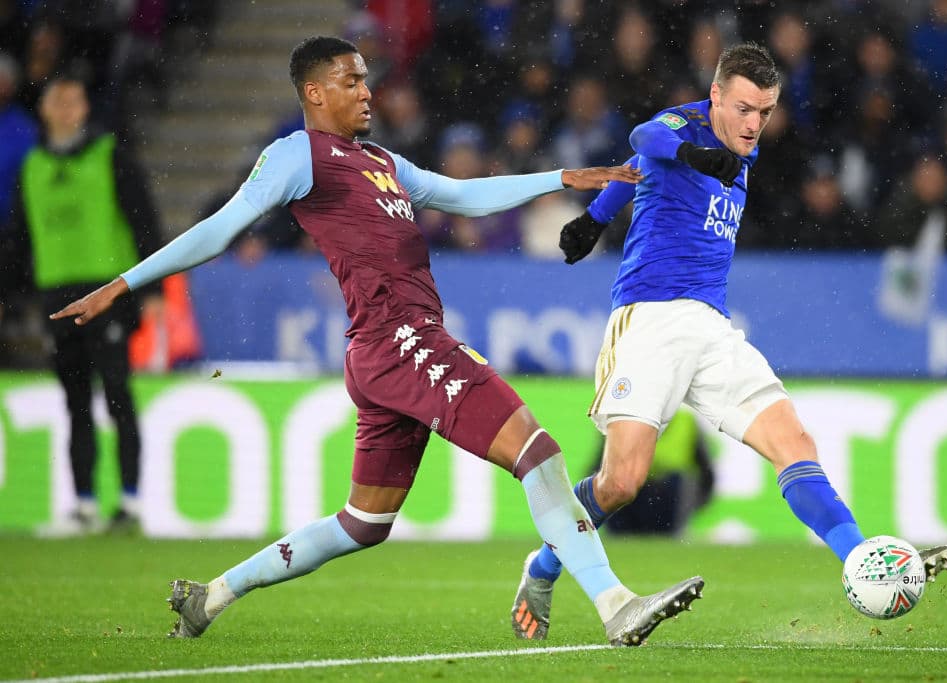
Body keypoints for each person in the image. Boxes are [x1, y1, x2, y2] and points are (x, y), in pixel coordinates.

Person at [50, 36, 704, 646]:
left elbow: (460, 195)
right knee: (537, 453)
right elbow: (221, 228)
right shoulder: (298, 155)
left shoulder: (383, 163)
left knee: (363, 523)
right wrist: (125, 283)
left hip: (384, 354)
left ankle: (213, 595)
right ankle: (614, 603)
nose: (367, 92)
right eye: (351, 81)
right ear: (315, 93)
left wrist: (560, 179)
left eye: (366, 80)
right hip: (402, 340)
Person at [510, 42, 947, 641]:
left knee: (794, 441)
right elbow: (646, 138)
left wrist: (597, 216)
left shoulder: (743, 147)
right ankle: (541, 567)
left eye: (764, 112)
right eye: (743, 109)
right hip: (650, 317)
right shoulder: (684, 128)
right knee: (621, 483)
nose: (753, 124)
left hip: (713, 327)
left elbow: (638, 164)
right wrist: (604, 212)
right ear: (715, 95)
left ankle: (860, 560)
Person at [3, 74, 161, 534]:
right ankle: (85, 504)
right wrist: (6, 295)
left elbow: (143, 220)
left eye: (74, 101)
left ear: (86, 108)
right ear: (43, 109)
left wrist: (152, 290)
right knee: (74, 402)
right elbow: (18, 239)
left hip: (108, 292)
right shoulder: (31, 167)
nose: (66, 110)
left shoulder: (110, 155)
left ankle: (129, 502)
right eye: (58, 101)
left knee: (117, 393)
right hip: (57, 295)